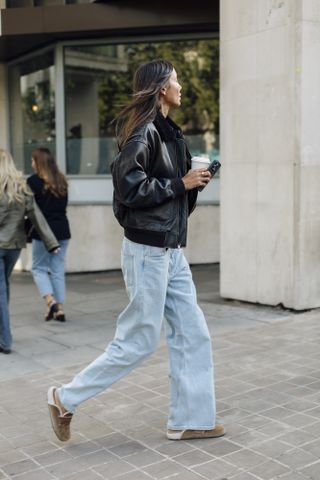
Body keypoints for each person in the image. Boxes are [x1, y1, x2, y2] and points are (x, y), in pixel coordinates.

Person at [47, 59, 224, 442]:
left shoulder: (170, 133)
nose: (181, 87)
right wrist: (181, 184)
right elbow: (129, 190)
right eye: (176, 81)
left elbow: (171, 194)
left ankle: (190, 419)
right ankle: (64, 398)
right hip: (147, 251)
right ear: (162, 88)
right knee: (139, 340)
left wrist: (193, 184)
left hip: (171, 249)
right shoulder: (143, 133)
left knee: (193, 333)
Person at [0, 149, 60, 354]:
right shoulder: (21, 186)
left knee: (1, 291)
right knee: (3, 288)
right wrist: (51, 242)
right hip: (14, 248)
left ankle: (5, 340)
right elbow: (36, 216)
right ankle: (3, 331)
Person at [27, 148, 71, 322]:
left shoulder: (32, 181)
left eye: (33, 160)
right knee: (57, 269)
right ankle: (59, 309)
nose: (31, 163)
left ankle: (50, 301)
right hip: (63, 231)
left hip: (44, 233)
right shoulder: (62, 180)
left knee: (38, 268)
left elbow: (31, 210)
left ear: (39, 163)